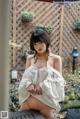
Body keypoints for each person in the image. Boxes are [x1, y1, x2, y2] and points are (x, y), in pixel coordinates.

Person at [18, 28, 65, 119]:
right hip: (28, 102)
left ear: (46, 42)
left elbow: (59, 81)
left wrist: (43, 85)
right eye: (35, 44)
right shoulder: (30, 58)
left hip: (46, 103)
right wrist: (28, 84)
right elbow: (25, 78)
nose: (38, 46)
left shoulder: (56, 59)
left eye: (41, 43)